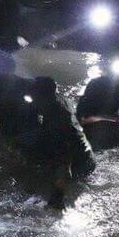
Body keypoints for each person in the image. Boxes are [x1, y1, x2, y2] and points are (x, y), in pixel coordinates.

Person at [30, 77, 96, 208]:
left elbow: (65, 164)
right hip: (86, 154)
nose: (32, 99)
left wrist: (56, 199)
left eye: (34, 96)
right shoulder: (58, 99)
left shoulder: (59, 121)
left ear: (43, 97)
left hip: (81, 163)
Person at [76, 64, 119, 149]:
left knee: (116, 144)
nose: (118, 78)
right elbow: (83, 103)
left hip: (112, 116)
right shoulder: (95, 83)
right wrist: (80, 120)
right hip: (92, 115)